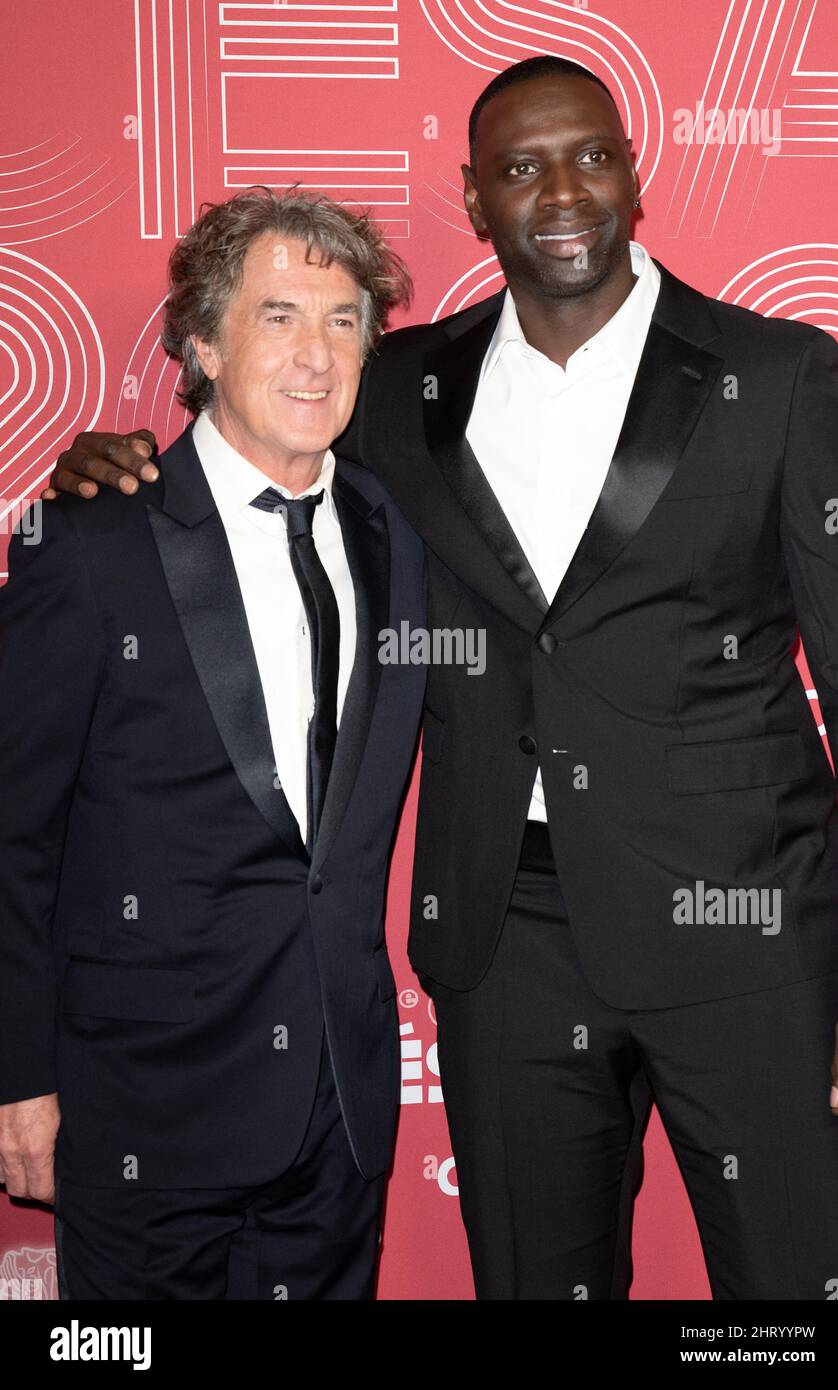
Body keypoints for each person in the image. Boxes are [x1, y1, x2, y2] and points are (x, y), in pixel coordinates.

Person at [42, 56, 838, 1300]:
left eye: (590, 154)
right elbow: (260, 438)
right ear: (475, 201)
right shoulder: (401, 390)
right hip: (505, 946)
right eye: (520, 167)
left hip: (744, 938)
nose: (562, 190)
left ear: (635, 175)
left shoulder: (782, 376)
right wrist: (122, 461)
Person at [0, 187, 427, 1300]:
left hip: (336, 1109)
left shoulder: (396, 540)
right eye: (277, 315)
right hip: (144, 1112)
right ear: (200, 341)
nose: (315, 354)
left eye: (342, 321)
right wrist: (15, 1074)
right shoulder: (91, 542)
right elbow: (11, 832)